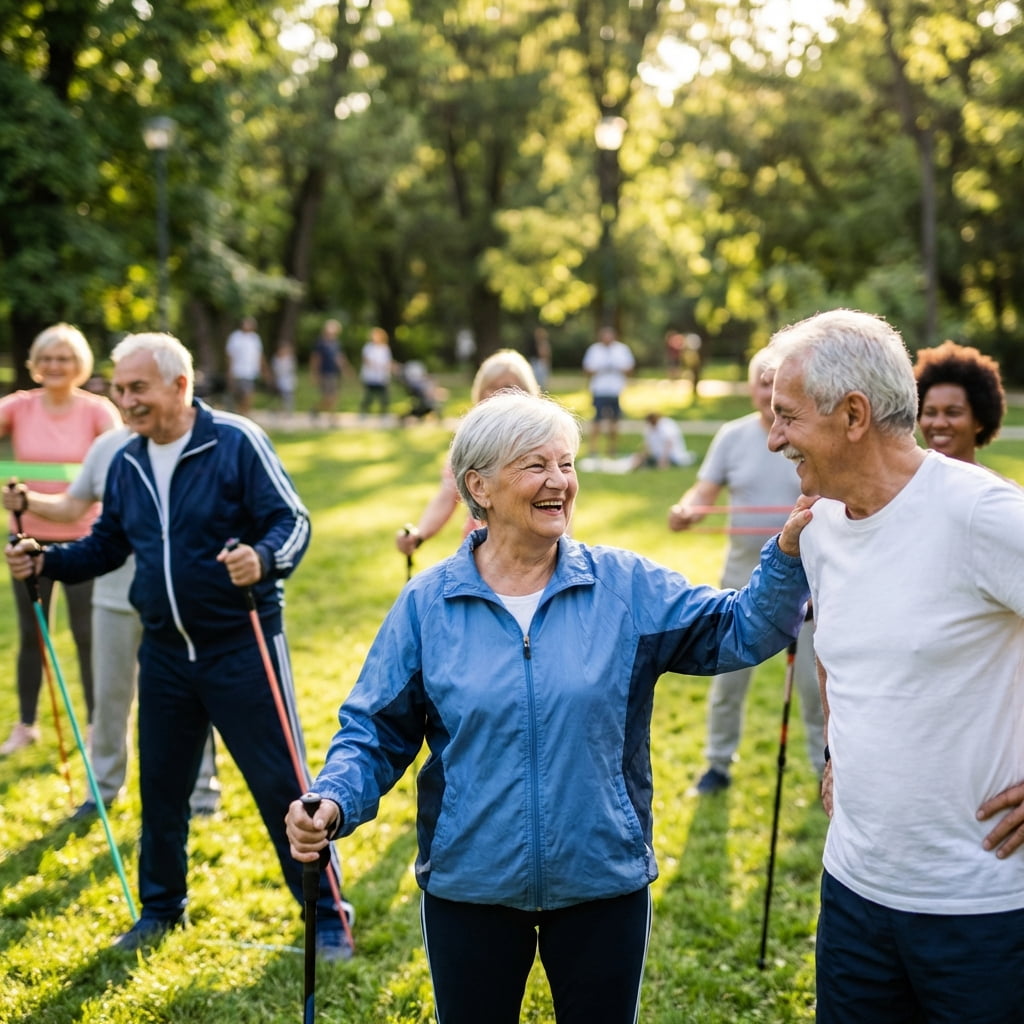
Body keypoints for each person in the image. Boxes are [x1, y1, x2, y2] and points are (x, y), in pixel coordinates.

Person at [286, 390, 812, 1024]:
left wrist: (785, 555)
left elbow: (743, 629)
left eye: (566, 464)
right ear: (477, 485)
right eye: (536, 465)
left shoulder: (623, 587)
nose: (559, 482)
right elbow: (374, 730)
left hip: (601, 877)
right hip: (469, 882)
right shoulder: (428, 605)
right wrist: (336, 797)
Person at [5, 332, 352, 959]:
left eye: (138, 387)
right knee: (161, 790)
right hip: (164, 653)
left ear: (180, 386)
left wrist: (264, 558)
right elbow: (109, 544)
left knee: (282, 784)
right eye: (119, 387)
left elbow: (292, 521)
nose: (126, 399)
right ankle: (162, 909)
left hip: (240, 645)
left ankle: (325, 912)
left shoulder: (235, 441)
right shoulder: (125, 460)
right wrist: (47, 561)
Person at [765, 308, 1024, 1023]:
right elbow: (838, 655)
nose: (774, 437)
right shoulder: (817, 529)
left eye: (787, 417)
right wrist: (833, 753)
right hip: (853, 895)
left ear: (853, 415)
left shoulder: (982, 514)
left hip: (983, 908)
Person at [3, 426, 221, 821]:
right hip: (112, 595)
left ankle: (202, 796)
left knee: (191, 698)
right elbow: (73, 508)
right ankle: (101, 791)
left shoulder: (197, 444)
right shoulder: (108, 447)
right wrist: (27, 501)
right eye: (124, 388)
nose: (130, 397)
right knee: (108, 699)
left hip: (177, 597)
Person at [668, 350, 824, 794]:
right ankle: (717, 764)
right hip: (743, 578)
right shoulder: (731, 436)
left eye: (775, 383)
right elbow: (704, 490)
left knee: (817, 688)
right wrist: (690, 510)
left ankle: (825, 768)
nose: (767, 392)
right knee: (728, 682)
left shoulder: (811, 436)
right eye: (760, 382)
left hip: (813, 580)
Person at [0, 323, 121, 756]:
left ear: (80, 365)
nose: (55, 366)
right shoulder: (18, 406)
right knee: (32, 634)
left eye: (65, 358)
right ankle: (27, 724)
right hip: (27, 544)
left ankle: (94, 726)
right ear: (34, 365)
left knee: (90, 635)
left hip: (85, 544)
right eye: (48, 358)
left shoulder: (98, 410)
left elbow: (117, 461)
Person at [395, 349, 539, 557]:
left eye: (509, 387)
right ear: (479, 394)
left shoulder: (541, 440)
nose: (500, 395)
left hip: (532, 551)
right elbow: (448, 495)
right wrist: (419, 534)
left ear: (528, 393)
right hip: (480, 552)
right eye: (492, 388)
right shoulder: (469, 442)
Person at [913, 339, 1006, 466]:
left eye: (952, 413)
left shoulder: (997, 486)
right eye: (930, 413)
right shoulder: (903, 484)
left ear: (979, 421)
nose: (939, 423)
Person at [582, 325, 634, 459]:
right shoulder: (594, 350)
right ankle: (593, 449)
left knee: (614, 421)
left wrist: (617, 367)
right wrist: (600, 368)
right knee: (597, 420)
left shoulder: (621, 349)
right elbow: (587, 369)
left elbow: (630, 368)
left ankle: (612, 449)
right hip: (599, 390)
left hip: (615, 390)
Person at [224, 316, 267, 416]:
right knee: (238, 395)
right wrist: (230, 371)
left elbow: (259, 355)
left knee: (248, 394)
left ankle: (245, 413)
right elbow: (230, 355)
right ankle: (239, 413)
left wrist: (264, 370)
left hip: (250, 372)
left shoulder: (255, 338)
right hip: (237, 372)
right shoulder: (235, 337)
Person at [629, 412, 695, 470]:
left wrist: (664, 459)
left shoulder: (666, 425)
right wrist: (641, 455)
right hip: (657, 455)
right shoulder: (649, 427)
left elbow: (669, 443)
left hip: (672, 455)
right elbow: (647, 443)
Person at [310, 318, 345, 419]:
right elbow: (315, 359)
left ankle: (327, 414)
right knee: (329, 397)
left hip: (334, 373)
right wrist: (314, 374)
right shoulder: (320, 343)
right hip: (324, 373)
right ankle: (320, 410)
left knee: (334, 396)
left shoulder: (336, 343)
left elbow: (339, 358)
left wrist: (345, 370)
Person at [358, 327, 394, 416]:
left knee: (384, 396)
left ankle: (384, 413)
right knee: (369, 396)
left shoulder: (385, 348)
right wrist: (378, 366)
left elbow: (388, 362)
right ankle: (364, 412)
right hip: (370, 376)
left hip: (382, 377)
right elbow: (367, 360)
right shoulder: (368, 347)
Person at [271, 340, 298, 414]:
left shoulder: (290, 359)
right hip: (280, 380)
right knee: (282, 396)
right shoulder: (276, 359)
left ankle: (288, 410)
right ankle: (279, 409)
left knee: (289, 396)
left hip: (288, 381)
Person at [525, 325, 552, 390]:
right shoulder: (535, 344)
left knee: (541, 381)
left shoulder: (543, 343)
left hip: (540, 362)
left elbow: (545, 354)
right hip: (537, 362)